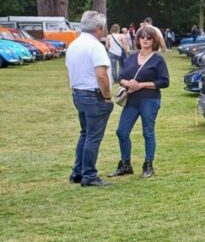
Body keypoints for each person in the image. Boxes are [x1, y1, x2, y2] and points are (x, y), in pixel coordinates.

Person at [109, 25, 170, 179]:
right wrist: (126, 83)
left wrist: (143, 84)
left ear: (154, 40)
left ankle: (148, 165)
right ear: (138, 39)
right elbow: (120, 76)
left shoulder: (158, 60)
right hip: (132, 100)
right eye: (142, 37)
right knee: (121, 131)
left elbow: (164, 81)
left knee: (147, 132)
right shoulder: (130, 58)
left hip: (150, 100)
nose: (145, 39)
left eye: (149, 37)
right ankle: (125, 165)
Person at [66, 11, 114, 187]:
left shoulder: (74, 44)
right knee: (93, 136)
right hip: (93, 95)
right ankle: (89, 175)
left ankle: (77, 171)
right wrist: (107, 97)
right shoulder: (95, 46)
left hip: (78, 93)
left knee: (85, 133)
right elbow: (101, 75)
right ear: (99, 28)